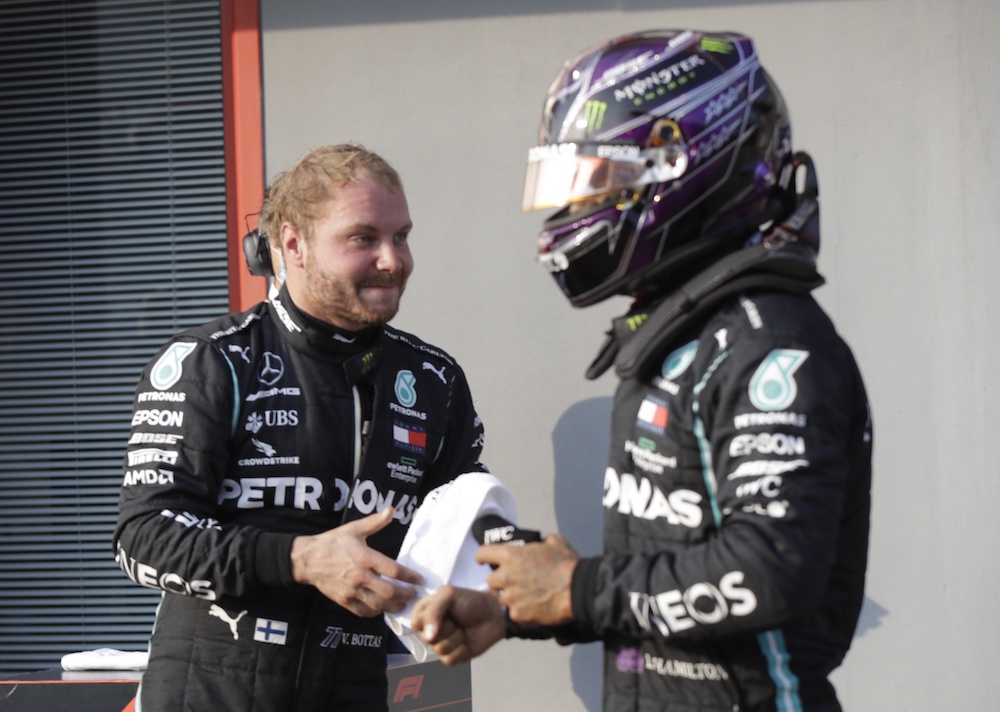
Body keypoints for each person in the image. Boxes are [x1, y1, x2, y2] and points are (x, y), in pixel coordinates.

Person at [413, 30, 872, 712]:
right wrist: (523, 611)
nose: (573, 213)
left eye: (596, 182)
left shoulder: (771, 346)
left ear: (686, 167)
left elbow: (771, 574)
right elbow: (677, 577)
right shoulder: (685, 332)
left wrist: (575, 588)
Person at [113, 143, 489, 711]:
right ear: (293, 245)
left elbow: (469, 519)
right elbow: (143, 537)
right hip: (212, 693)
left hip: (359, 689)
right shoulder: (214, 362)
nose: (393, 260)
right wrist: (300, 558)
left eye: (401, 236)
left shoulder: (432, 377)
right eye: (363, 238)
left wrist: (501, 576)